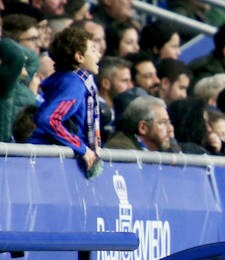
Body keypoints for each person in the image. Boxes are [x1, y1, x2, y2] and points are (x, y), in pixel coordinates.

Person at [29, 26, 101, 176]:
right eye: (93, 50)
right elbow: (49, 119)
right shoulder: (74, 84)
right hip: (44, 161)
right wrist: (81, 147)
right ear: (79, 57)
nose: (98, 55)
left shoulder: (72, 80)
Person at [105, 95, 176, 152]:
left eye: (168, 123)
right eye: (162, 123)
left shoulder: (161, 147)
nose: (170, 129)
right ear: (143, 128)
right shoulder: (120, 149)